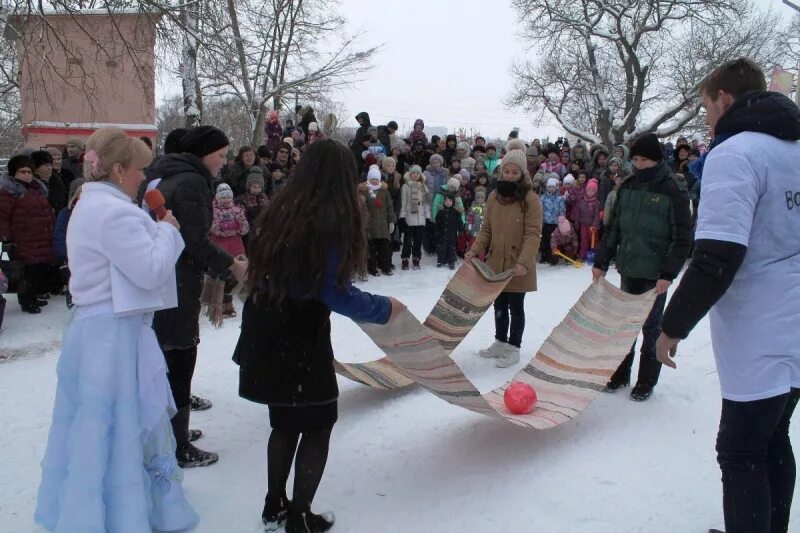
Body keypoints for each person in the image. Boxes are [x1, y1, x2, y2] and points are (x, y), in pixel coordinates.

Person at [655, 58, 800, 533]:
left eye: (706, 108)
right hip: (794, 323)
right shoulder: (793, 148)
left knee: (740, 451)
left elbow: (717, 255)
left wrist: (672, 325)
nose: (707, 120)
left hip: (761, 328)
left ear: (725, 99)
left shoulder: (735, 153)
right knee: (773, 437)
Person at [234, 139, 403, 532]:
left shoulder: (283, 208)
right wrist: (384, 308)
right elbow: (333, 291)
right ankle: (299, 518)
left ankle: (274, 506)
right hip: (298, 332)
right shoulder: (331, 218)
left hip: (265, 319)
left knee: (285, 420)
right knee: (318, 421)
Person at [34, 127, 197, 532]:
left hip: (96, 331)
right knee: (123, 423)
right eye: (139, 169)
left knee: (96, 425)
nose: (144, 177)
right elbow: (149, 270)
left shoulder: (89, 205)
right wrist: (168, 231)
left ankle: (101, 507)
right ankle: (122, 515)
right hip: (115, 335)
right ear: (120, 169)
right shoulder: (115, 212)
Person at [154, 125, 249, 468]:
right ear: (201, 154)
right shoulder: (191, 182)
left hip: (162, 281)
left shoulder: (166, 176)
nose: (223, 162)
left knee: (166, 358)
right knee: (180, 356)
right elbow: (193, 241)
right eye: (220, 155)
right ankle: (177, 444)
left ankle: (168, 431)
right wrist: (231, 267)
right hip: (176, 283)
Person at [592, 132, 692, 401]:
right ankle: (620, 374)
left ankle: (646, 381)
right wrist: (602, 260)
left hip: (655, 274)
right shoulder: (628, 186)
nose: (638, 164)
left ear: (657, 160)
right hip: (630, 267)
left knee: (651, 328)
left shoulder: (672, 189)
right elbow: (614, 228)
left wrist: (668, 274)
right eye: (635, 159)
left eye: (644, 159)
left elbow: (682, 236)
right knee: (625, 325)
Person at [466, 149, 543, 368]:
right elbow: (486, 230)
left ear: (522, 173)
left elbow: (533, 234)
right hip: (496, 262)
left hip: (518, 264)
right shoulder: (493, 196)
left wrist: (523, 263)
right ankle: (500, 341)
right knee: (498, 304)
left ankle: (513, 347)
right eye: (506, 171)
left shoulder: (530, 199)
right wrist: (475, 249)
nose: (509, 175)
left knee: (515, 306)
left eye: (514, 172)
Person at [0, 155, 55, 313]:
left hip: (39, 237)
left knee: (36, 270)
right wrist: (6, 238)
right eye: (22, 171)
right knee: (26, 273)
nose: (27, 174)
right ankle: (26, 302)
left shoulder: (36, 188)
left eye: (29, 171)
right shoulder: (8, 191)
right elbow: (2, 217)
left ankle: (32, 297)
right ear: (13, 173)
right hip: (22, 239)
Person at [210, 183, 250, 318]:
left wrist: (228, 227)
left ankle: (230, 304)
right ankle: (218, 305)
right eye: (222, 197)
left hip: (236, 248)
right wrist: (233, 227)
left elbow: (245, 228)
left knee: (234, 278)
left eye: (228, 197)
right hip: (220, 248)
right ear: (217, 198)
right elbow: (214, 228)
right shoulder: (213, 210)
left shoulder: (237, 210)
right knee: (221, 277)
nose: (225, 200)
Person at [53, 178, 85, 309]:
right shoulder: (66, 213)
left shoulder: (96, 211)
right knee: (74, 281)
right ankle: (73, 302)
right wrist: (63, 255)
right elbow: (60, 234)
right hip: (71, 255)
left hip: (88, 255)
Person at [359, 165, 396, 276]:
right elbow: (361, 209)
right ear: (369, 179)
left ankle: (385, 266)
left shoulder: (384, 191)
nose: (375, 181)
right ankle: (372, 267)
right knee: (371, 249)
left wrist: (391, 221)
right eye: (372, 179)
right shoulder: (364, 191)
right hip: (370, 225)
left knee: (385, 248)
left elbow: (389, 207)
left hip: (383, 224)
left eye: (376, 179)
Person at [399, 165, 431, 271]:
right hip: (409, 218)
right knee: (407, 241)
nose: (415, 175)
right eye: (413, 173)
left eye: (417, 173)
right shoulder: (406, 186)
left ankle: (416, 258)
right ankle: (405, 259)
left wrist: (427, 217)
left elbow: (426, 203)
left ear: (420, 175)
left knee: (418, 241)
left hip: (421, 219)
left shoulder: (424, 187)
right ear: (410, 174)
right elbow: (403, 202)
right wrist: (402, 217)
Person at [540, 177, 566, 264]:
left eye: (553, 187)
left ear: (557, 188)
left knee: (554, 240)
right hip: (546, 222)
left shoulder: (560, 198)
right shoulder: (543, 198)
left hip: (555, 223)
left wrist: (562, 217)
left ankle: (553, 257)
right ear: (547, 187)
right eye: (549, 187)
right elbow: (540, 208)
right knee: (545, 240)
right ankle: (544, 256)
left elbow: (562, 209)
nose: (551, 189)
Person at [576, 178, 601, 260]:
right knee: (584, 240)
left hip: (592, 225)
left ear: (595, 192)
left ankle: (595, 255)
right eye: (588, 190)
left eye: (592, 191)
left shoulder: (596, 202)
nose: (590, 192)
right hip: (583, 224)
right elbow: (578, 213)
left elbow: (597, 215)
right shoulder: (582, 201)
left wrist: (595, 225)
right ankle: (582, 255)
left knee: (594, 241)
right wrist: (577, 223)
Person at [436, 195, 463, 269]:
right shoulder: (441, 212)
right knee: (442, 247)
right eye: (446, 201)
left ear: (453, 202)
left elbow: (459, 222)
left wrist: (461, 230)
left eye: (450, 201)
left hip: (452, 234)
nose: (448, 203)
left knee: (451, 248)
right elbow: (437, 221)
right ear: (444, 202)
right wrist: (437, 230)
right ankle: (441, 260)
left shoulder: (456, 212)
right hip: (443, 234)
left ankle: (451, 262)